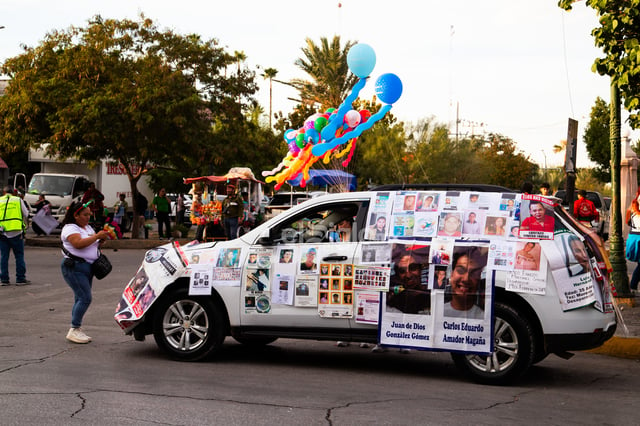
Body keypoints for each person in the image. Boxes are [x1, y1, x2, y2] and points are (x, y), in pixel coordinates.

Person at [60, 200, 110, 343]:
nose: (88, 217)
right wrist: (96, 236)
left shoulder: (87, 228)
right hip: (74, 267)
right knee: (85, 298)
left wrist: (100, 240)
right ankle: (74, 329)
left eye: (89, 214)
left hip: (87, 267)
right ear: (76, 215)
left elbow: (91, 244)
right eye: (85, 215)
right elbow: (78, 244)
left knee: (79, 297)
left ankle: (77, 327)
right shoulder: (70, 228)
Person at [443, 247, 486, 319]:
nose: (466, 279)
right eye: (460, 270)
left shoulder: (483, 317)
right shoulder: (437, 313)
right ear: (451, 274)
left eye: (473, 273)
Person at [0, 186, 30, 285]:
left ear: (4, 192)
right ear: (13, 193)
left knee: (4, 256)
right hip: (16, 231)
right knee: (19, 255)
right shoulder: (18, 200)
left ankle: (4, 279)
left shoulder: (0, 200)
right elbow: (26, 213)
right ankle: (20, 279)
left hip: (2, 232)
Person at [625, 188, 640, 292]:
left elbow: (627, 221)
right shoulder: (635, 204)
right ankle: (633, 285)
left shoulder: (634, 203)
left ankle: (633, 286)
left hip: (634, 235)